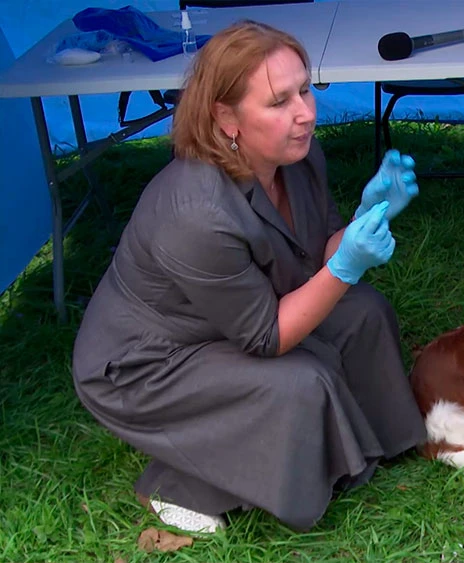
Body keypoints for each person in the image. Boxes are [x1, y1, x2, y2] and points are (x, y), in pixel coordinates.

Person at [71, 21, 427, 533]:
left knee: (363, 311)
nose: (305, 113)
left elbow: (315, 252)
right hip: (148, 363)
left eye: (305, 90)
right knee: (302, 382)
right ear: (226, 117)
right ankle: (174, 486)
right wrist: (347, 262)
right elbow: (268, 337)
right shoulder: (195, 211)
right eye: (279, 102)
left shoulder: (297, 157)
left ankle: (374, 437)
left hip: (229, 320)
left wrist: (364, 221)